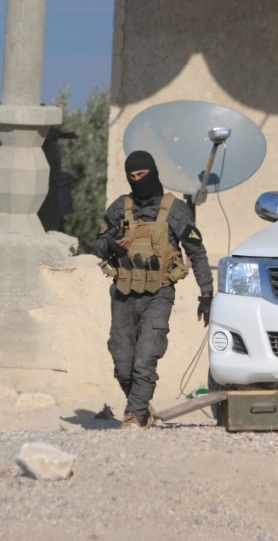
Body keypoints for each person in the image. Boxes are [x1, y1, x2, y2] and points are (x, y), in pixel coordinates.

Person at [94, 150, 214, 429]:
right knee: (123, 362)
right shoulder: (118, 208)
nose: (137, 181)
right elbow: (97, 244)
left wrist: (206, 294)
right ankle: (141, 408)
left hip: (158, 294)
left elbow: (196, 253)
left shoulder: (175, 209)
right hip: (123, 293)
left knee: (145, 358)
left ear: (153, 173)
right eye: (132, 177)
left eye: (142, 175)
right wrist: (111, 244)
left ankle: (133, 415)